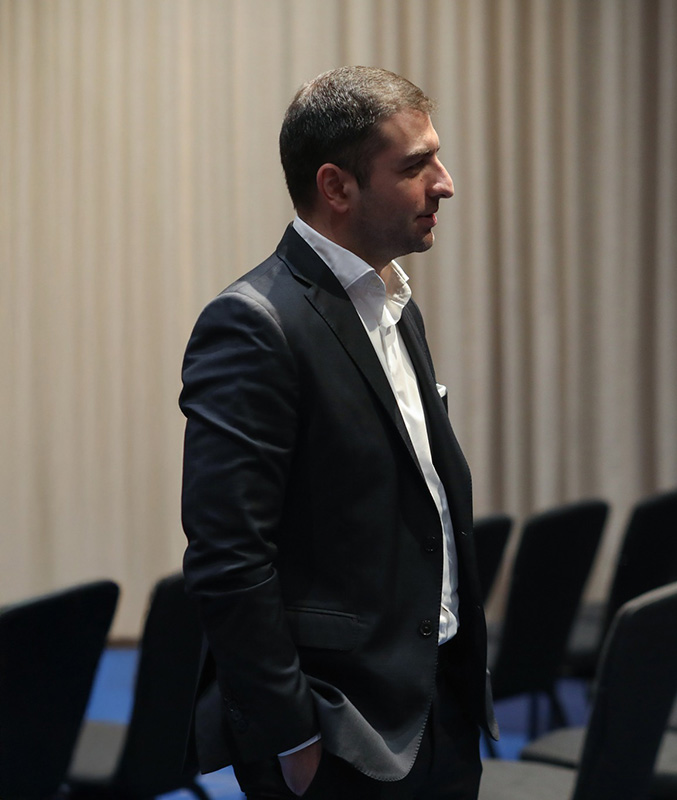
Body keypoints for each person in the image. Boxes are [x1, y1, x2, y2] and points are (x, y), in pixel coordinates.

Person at [180, 66, 497, 800]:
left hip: (436, 706)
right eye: (415, 166)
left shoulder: (393, 305)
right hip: (338, 732)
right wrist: (293, 739)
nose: (445, 184)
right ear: (337, 187)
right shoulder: (252, 324)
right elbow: (228, 558)